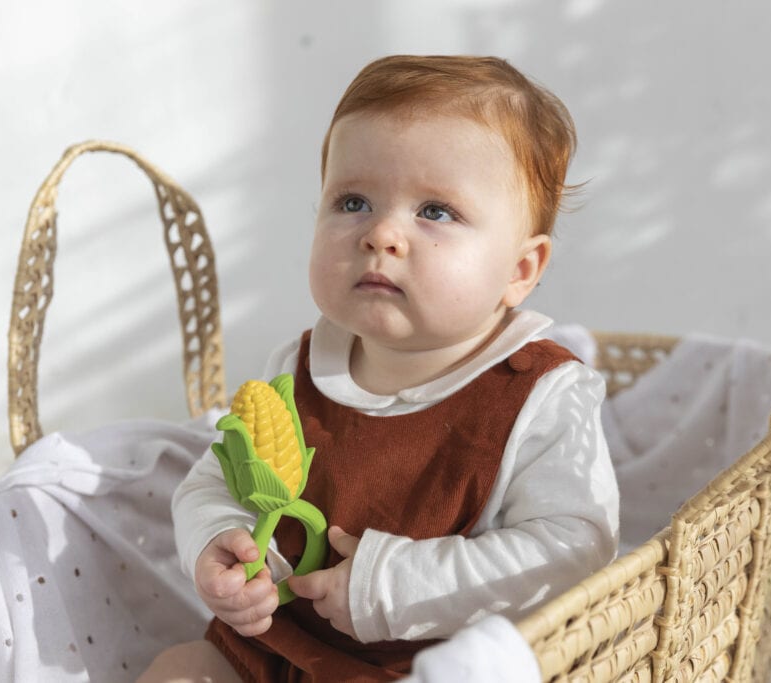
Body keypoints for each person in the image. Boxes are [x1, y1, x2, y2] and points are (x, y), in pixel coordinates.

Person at [138, 54, 619, 682]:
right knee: (180, 668)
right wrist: (219, 542)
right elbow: (215, 478)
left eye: (436, 212)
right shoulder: (302, 366)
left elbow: (571, 552)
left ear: (519, 270)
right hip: (275, 646)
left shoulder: (540, 395)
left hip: (429, 662)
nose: (383, 234)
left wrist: (388, 585)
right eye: (354, 201)